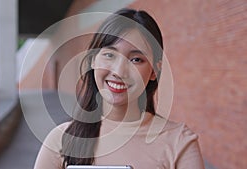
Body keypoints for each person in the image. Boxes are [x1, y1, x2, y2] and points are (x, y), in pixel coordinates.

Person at [34, 8, 204, 169]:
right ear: (93, 60)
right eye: (110, 55)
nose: (119, 71)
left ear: (154, 71)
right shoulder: (61, 141)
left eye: (136, 59)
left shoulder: (179, 142)